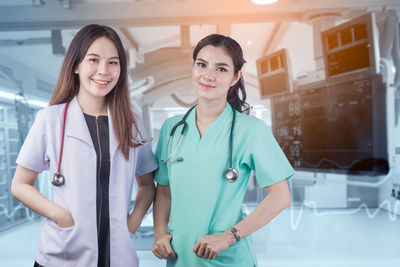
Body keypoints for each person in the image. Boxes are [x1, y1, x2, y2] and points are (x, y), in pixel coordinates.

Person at [11, 24, 157, 267]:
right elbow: (20, 184)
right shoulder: (51, 119)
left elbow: (147, 184)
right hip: (62, 254)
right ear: (76, 65)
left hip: (117, 255)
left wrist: (134, 221)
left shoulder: (131, 123)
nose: (104, 71)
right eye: (94, 60)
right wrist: (59, 214)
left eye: (113, 62)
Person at [151, 34, 294, 267]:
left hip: (226, 259)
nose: (208, 75)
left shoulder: (251, 130)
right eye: (202, 64)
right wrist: (159, 232)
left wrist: (229, 237)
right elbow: (164, 190)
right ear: (193, 67)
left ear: (236, 76)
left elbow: (281, 196)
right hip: (180, 258)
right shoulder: (172, 128)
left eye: (221, 69)